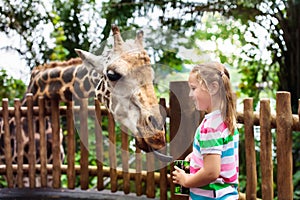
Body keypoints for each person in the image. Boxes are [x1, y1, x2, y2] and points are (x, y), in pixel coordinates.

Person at [172, 62, 239, 199]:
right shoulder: (224, 118)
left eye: (193, 88)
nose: (190, 95)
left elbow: (211, 172)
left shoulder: (210, 127)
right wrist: (197, 156)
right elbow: (222, 153)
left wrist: (186, 180)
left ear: (213, 88)